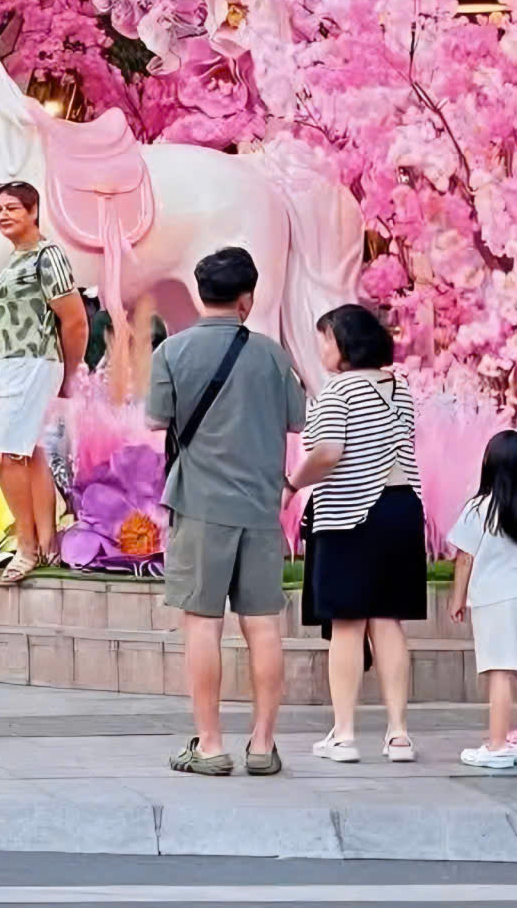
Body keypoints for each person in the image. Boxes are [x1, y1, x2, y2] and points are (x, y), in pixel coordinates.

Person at [145, 246, 307, 779]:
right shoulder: (273, 356)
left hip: (198, 506)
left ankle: (210, 744)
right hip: (260, 508)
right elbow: (295, 420)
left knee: (202, 627)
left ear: (199, 294)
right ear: (248, 298)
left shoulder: (171, 352)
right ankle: (262, 745)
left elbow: (157, 421)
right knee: (263, 627)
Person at [288, 303, 425, 765]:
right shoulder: (399, 387)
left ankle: (344, 734)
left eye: (325, 339)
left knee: (347, 623)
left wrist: (291, 485)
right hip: (402, 511)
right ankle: (399, 733)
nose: (321, 348)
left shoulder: (339, 390)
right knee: (387, 620)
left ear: (345, 345)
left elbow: (327, 452)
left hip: (351, 513)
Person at [0, 183, 85, 581]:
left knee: (2, 452)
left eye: (12, 208)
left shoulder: (49, 256)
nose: (3, 215)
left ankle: (24, 545)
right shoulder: (17, 259)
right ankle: (47, 543)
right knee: (30, 452)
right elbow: (20, 296)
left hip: (34, 363)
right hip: (10, 366)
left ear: (33, 212)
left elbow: (75, 320)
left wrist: (68, 373)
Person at [450, 430, 517, 770]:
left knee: (499, 672)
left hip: (493, 601)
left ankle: (497, 746)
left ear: (490, 464)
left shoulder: (479, 509)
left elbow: (465, 557)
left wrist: (458, 597)